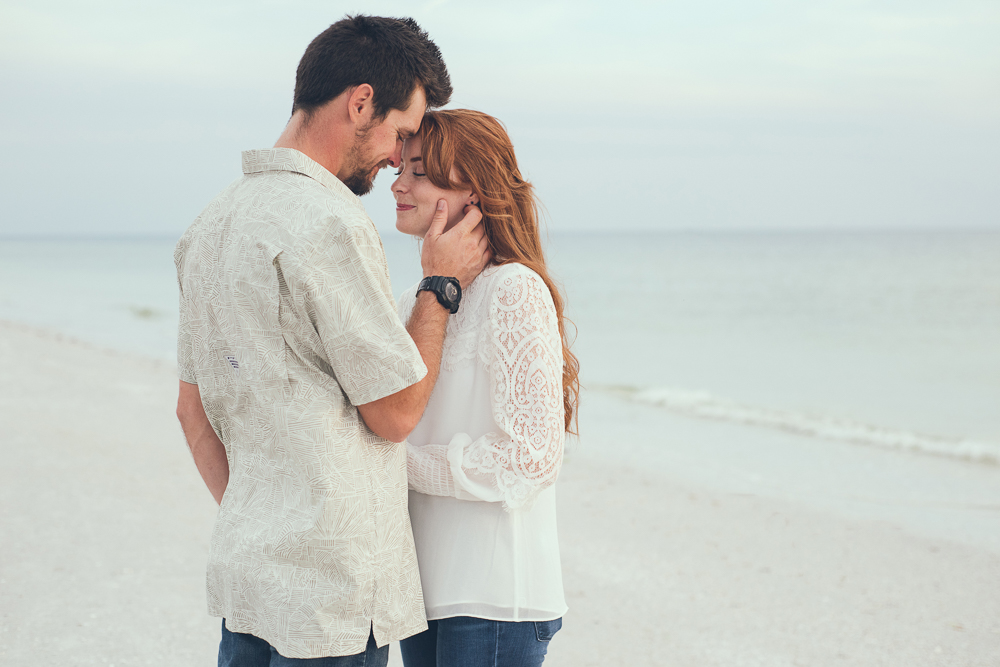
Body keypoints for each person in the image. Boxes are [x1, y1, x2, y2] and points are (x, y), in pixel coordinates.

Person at [173, 17, 490, 666]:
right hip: (334, 606)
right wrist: (440, 286)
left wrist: (267, 528)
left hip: (251, 581)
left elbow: (192, 411)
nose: (397, 159)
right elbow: (396, 412)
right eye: (402, 133)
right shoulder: (331, 221)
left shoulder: (209, 226)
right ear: (360, 101)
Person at [390, 109, 580, 667]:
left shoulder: (514, 289)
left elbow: (531, 457)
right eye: (400, 167)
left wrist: (398, 464)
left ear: (472, 189)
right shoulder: (414, 300)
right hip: (422, 591)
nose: (398, 183)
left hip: (496, 598)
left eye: (419, 171)